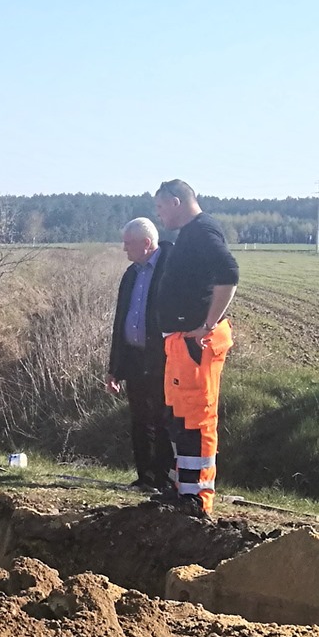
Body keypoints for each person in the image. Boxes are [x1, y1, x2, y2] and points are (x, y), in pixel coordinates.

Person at [148, 179, 240, 517]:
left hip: (195, 343)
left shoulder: (202, 231)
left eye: (160, 209)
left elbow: (229, 274)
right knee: (178, 418)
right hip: (180, 343)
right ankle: (181, 489)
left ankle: (197, 498)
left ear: (175, 202)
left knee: (196, 419)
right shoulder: (189, 233)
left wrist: (209, 324)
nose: (159, 217)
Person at [104, 217, 173, 492]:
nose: (124, 249)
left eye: (128, 243)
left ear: (146, 243)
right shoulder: (131, 274)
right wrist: (114, 369)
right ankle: (144, 478)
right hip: (133, 358)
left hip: (163, 359)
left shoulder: (170, 268)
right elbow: (120, 321)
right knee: (139, 420)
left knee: (162, 420)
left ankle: (163, 480)